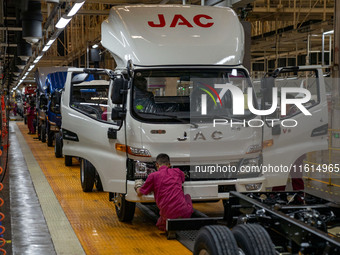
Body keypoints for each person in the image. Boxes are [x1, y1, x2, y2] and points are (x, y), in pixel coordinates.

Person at [135, 153, 193, 231]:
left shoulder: (153, 176)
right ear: (169, 164)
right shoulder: (177, 171)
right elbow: (183, 179)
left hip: (168, 214)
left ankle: (167, 223)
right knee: (187, 196)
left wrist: (138, 185)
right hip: (185, 213)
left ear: (157, 164)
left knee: (160, 225)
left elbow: (140, 193)